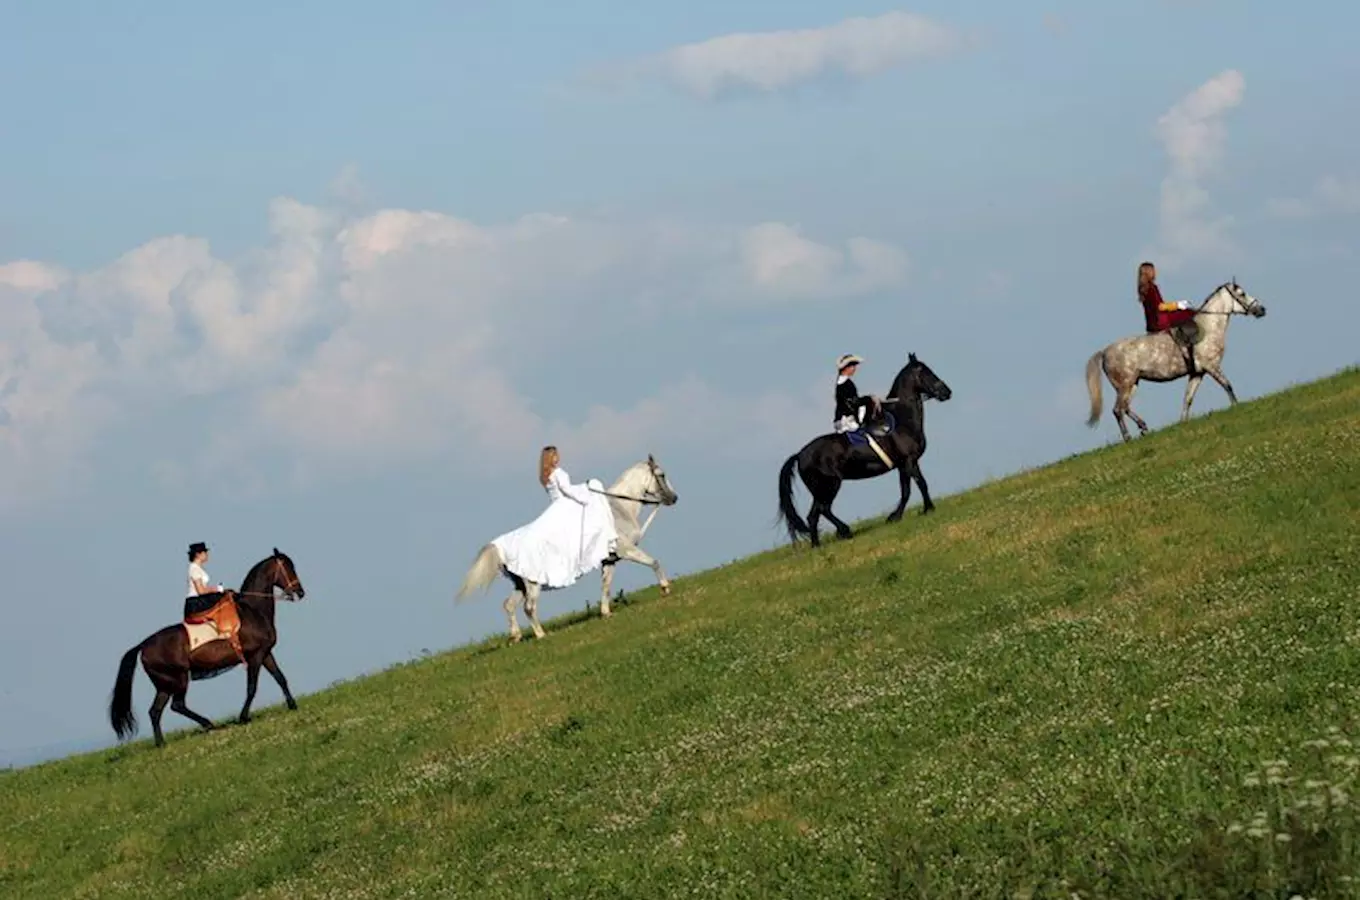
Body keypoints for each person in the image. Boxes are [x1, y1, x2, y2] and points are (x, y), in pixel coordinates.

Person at [490, 446, 619, 590]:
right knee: (589, 524)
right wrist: (585, 496)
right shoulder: (558, 473)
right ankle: (605, 548)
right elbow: (567, 490)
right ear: (549, 459)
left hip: (554, 508)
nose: (557, 459)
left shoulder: (545, 476)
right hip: (565, 506)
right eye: (554, 456)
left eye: (557, 455)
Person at [1137, 261, 1199, 369]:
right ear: (1150, 273)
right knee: (1189, 313)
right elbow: (1160, 307)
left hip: (1151, 322)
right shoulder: (1152, 288)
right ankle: (1186, 348)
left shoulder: (1143, 289)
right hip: (1160, 321)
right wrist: (1177, 305)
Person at [833, 354, 878, 434]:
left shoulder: (843, 382)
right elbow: (853, 402)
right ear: (846, 368)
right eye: (853, 366)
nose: (854, 369)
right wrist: (869, 399)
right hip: (846, 420)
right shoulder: (845, 384)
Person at [184, 541, 226, 620]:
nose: (207, 555)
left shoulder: (198, 568)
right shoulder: (194, 569)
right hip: (196, 603)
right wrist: (216, 589)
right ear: (198, 554)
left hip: (200, 600)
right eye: (205, 552)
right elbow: (201, 591)